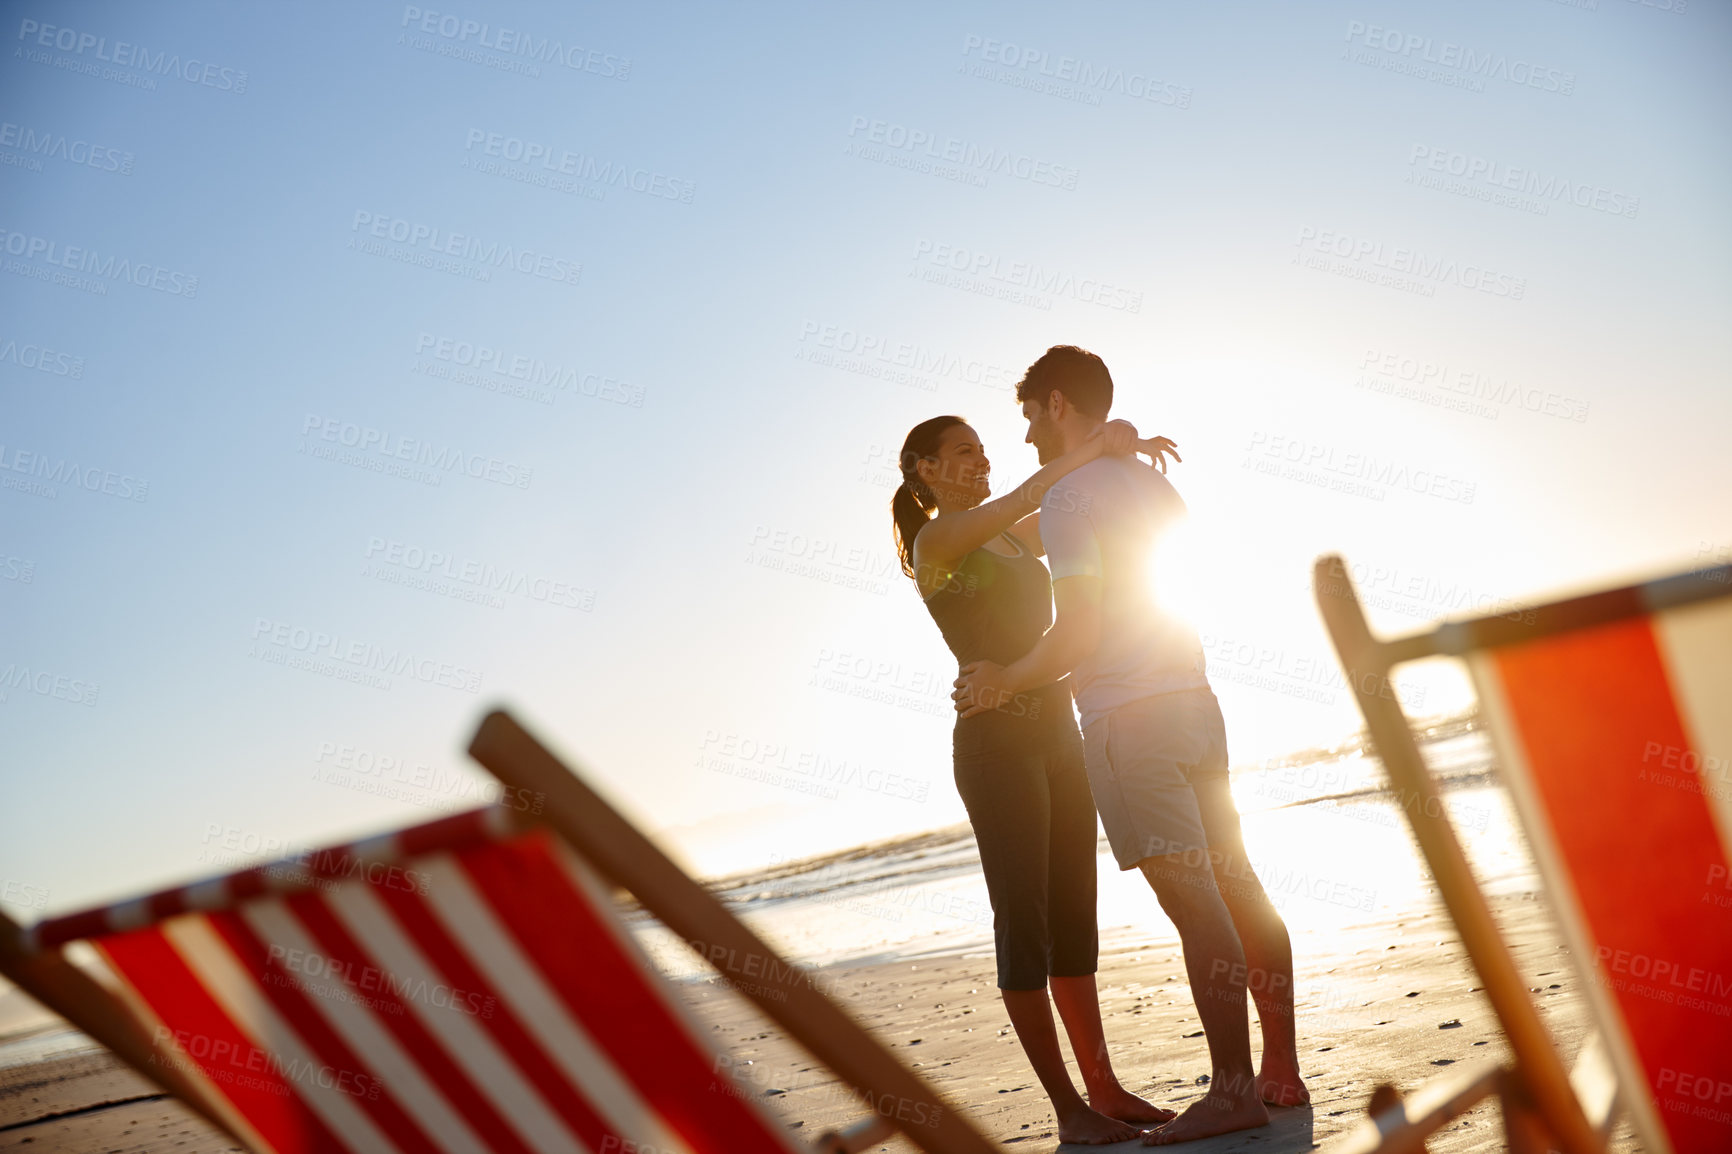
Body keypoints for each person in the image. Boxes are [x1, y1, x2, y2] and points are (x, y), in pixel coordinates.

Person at [953, 346, 1309, 1146]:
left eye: (1028, 419)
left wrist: (1005, 678)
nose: (1026, 438)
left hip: (1129, 719)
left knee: (1196, 902)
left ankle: (1232, 1092)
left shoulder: (1071, 497)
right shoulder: (1154, 481)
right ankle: (1279, 1068)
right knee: (1239, 884)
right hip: (1194, 700)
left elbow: (1077, 629)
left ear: (1053, 404)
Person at [893, 413, 1180, 1145]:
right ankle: (1069, 1110)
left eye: (981, 449)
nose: (980, 460)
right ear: (926, 470)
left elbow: (1079, 513)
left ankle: (1105, 1089)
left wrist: (1115, 451)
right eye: (962, 454)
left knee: (1073, 918)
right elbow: (1032, 490)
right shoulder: (937, 543)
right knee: (1025, 926)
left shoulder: (1022, 535)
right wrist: (1088, 449)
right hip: (995, 748)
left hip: (1059, 734)